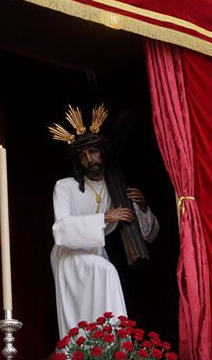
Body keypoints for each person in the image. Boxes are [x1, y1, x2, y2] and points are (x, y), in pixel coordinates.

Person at [48, 105, 159, 339]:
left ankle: (103, 356)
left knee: (95, 310)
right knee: (108, 273)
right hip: (69, 256)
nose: (90, 159)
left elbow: (148, 235)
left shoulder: (115, 188)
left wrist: (143, 207)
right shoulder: (65, 186)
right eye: (84, 155)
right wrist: (105, 217)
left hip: (97, 253)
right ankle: (117, 346)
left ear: (103, 153)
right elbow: (62, 230)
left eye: (94, 152)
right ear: (78, 160)